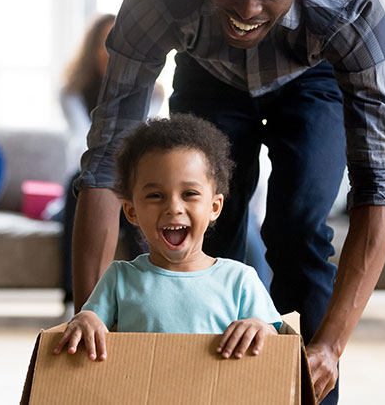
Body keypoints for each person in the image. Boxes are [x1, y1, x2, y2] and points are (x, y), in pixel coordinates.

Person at [72, 0, 385, 402]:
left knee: (297, 227)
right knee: (209, 230)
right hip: (209, 76)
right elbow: (106, 161)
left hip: (312, 79)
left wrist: (332, 349)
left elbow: (378, 184)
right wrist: (89, 319)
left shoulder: (350, 4)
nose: (246, 9)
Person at [53, 115, 281, 361]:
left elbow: (276, 341)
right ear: (131, 211)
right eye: (155, 196)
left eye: (190, 193)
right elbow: (89, 324)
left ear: (214, 207)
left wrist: (261, 327)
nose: (173, 207)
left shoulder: (240, 280)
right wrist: (85, 319)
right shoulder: (119, 279)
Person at [56, 14, 160, 305]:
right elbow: (79, 140)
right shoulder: (72, 93)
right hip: (87, 174)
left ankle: (147, 292)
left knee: (141, 197)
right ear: (91, 50)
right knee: (79, 185)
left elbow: (147, 135)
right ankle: (74, 298)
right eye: (104, 44)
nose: (111, 53)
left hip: (134, 172)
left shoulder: (153, 92)